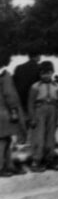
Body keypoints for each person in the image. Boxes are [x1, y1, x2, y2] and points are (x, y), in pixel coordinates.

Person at [27, 61, 58, 172]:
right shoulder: (35, 86)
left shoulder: (57, 86)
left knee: (50, 137)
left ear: (52, 72)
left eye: (48, 73)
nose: (46, 76)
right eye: (43, 73)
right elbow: (30, 103)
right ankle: (36, 161)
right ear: (40, 74)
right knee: (39, 137)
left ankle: (49, 159)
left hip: (52, 110)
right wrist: (32, 117)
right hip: (40, 111)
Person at [0, 48, 22, 176]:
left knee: (3, 140)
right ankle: (4, 167)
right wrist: (14, 110)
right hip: (4, 112)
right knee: (5, 141)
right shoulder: (5, 75)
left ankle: (8, 165)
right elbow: (9, 94)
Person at [12, 50, 41, 145]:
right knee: (34, 126)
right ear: (37, 56)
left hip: (20, 101)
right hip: (34, 102)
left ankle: (20, 145)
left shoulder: (19, 68)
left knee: (21, 126)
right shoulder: (39, 68)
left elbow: (14, 84)